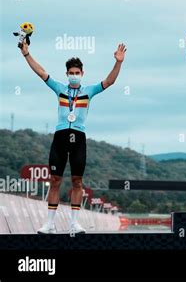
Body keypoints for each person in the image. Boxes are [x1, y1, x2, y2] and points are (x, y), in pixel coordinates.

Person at [19, 40, 127, 234]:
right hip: (60, 137)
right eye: (71, 73)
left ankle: (74, 224)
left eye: (77, 73)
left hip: (78, 138)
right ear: (67, 74)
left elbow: (109, 82)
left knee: (77, 181)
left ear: (82, 74)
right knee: (55, 180)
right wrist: (26, 54)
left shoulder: (89, 91)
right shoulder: (59, 88)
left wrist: (118, 62)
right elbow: (41, 72)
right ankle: (49, 224)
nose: (74, 76)